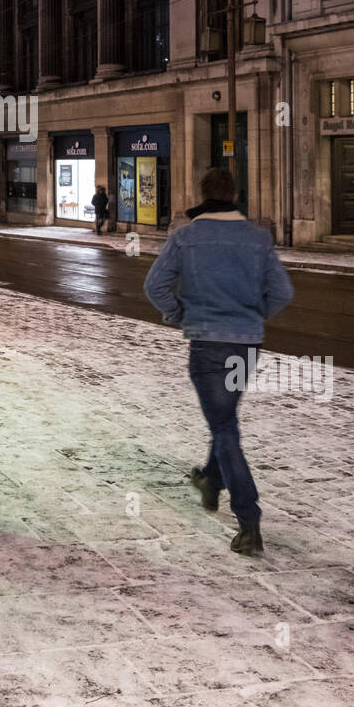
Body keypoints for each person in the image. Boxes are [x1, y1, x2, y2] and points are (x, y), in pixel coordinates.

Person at [142, 166, 294, 556]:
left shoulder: (186, 237)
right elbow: (281, 291)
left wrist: (179, 314)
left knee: (225, 429)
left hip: (207, 345)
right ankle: (211, 478)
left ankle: (249, 519)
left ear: (202, 193)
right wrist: (253, 315)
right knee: (224, 420)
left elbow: (154, 285)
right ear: (234, 194)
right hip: (246, 345)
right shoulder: (258, 238)